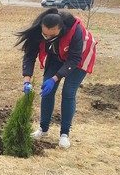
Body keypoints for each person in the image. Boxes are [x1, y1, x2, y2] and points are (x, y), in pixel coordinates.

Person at [16, 8, 96, 149]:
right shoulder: (39, 30)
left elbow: (74, 59)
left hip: (79, 59)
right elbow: (29, 56)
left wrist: (55, 78)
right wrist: (26, 81)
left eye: (50, 35)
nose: (46, 38)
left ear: (61, 30)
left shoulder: (75, 31)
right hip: (56, 56)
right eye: (44, 34)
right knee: (47, 92)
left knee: (68, 92)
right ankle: (43, 129)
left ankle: (64, 134)